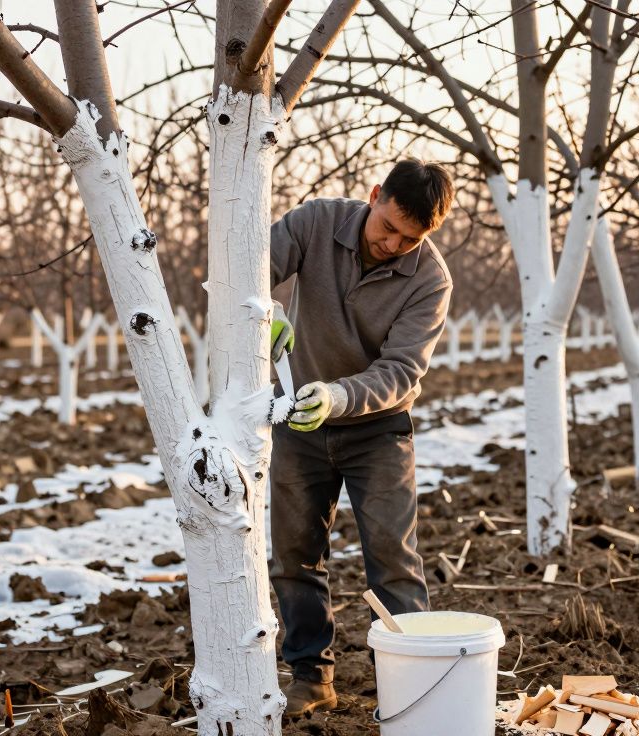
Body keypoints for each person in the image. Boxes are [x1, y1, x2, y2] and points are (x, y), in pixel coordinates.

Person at [267, 159, 455, 716]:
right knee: (294, 554)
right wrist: (266, 310)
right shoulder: (316, 223)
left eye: (411, 238)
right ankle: (311, 675)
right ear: (374, 195)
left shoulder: (429, 278)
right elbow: (245, 266)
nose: (395, 243)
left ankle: (411, 689)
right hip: (300, 421)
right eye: (388, 226)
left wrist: (339, 395)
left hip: (378, 428)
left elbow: (402, 370)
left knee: (393, 560)